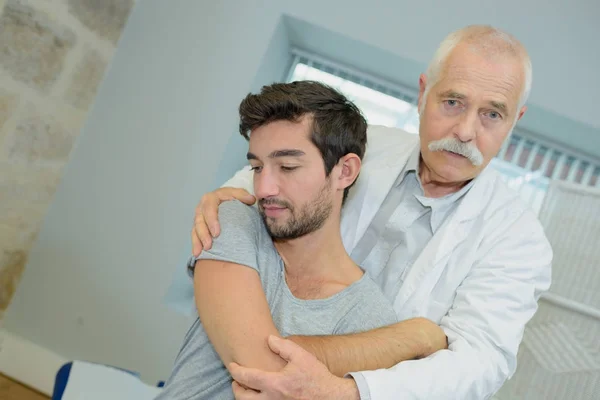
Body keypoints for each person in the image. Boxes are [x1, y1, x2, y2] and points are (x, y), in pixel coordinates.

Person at [187, 24, 553, 399]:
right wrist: (225, 200)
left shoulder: (518, 242)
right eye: (452, 102)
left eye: (492, 114)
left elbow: (479, 362)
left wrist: (349, 393)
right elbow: (263, 185)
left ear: (515, 121)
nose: (465, 131)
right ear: (424, 93)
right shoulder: (361, 145)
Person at [157, 81, 448, 400]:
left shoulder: (370, 316)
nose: (264, 187)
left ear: (345, 172)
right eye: (257, 167)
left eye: (287, 166)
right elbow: (264, 371)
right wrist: (413, 338)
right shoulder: (234, 221)